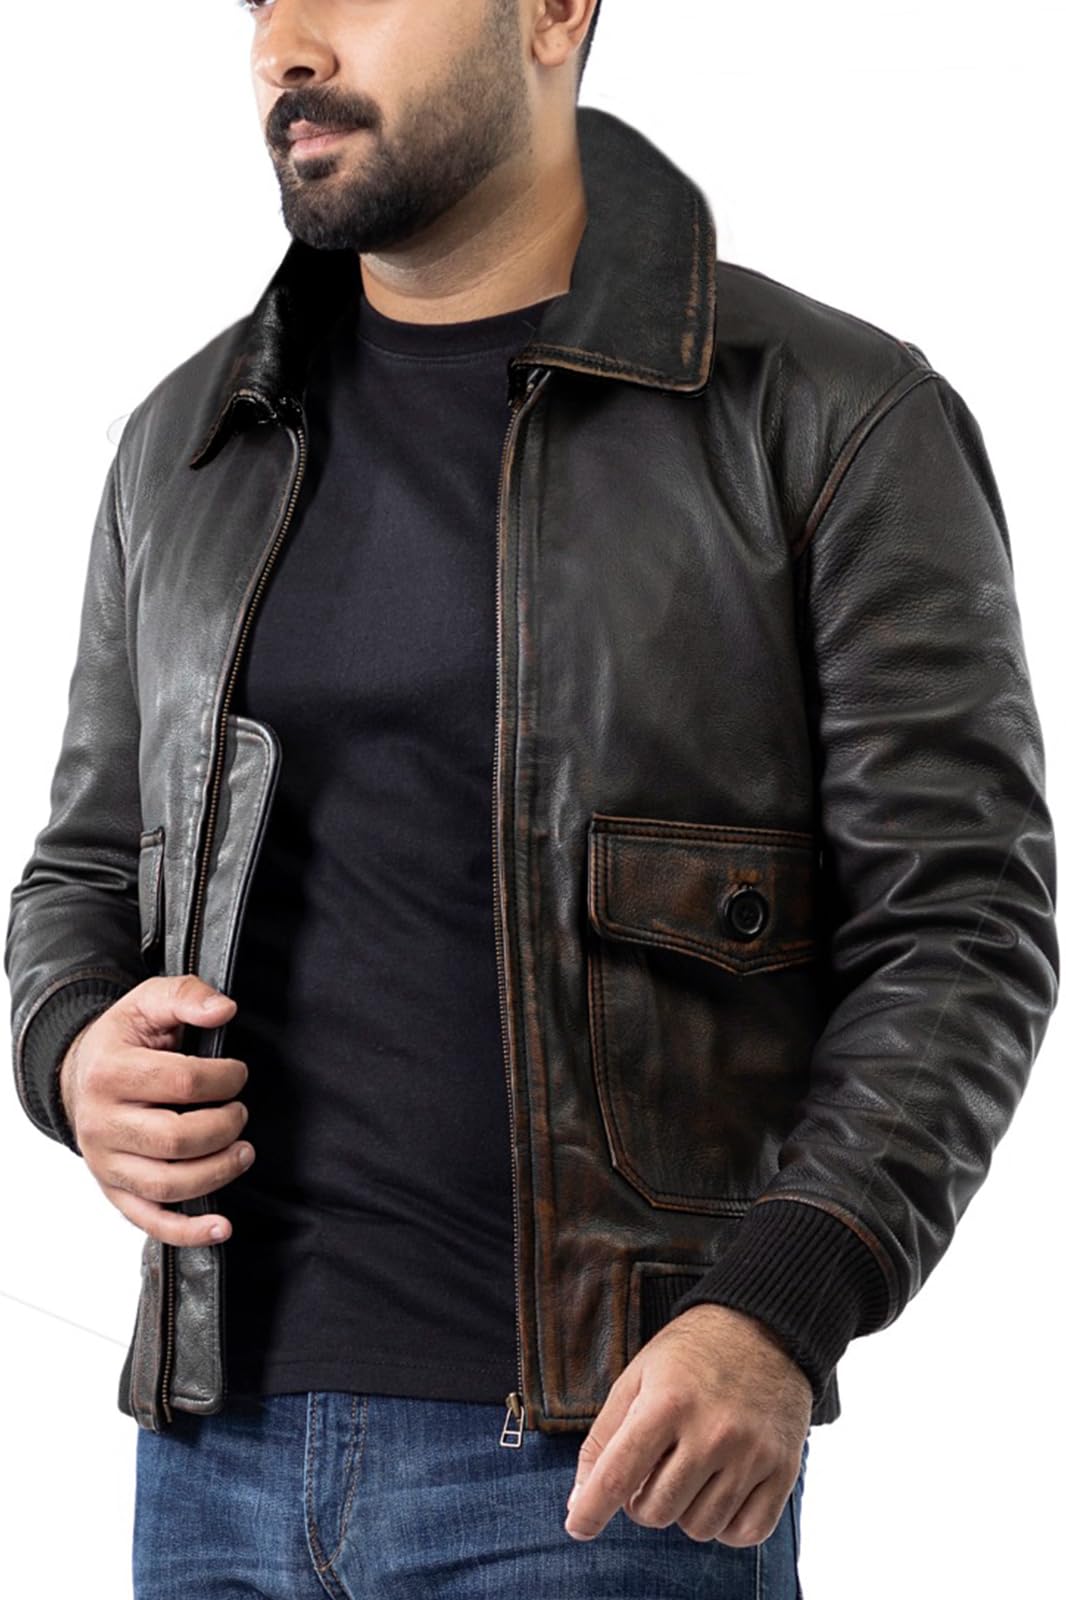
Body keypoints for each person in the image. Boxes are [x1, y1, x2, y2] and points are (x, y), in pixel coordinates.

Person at [5, 1, 1057, 1596]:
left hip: (605, 1470)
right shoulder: (190, 441)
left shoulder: (829, 414)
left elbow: (962, 924)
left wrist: (777, 1304)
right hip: (212, 1461)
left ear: (554, 12)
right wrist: (73, 1044)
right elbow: (85, 866)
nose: (285, 45)